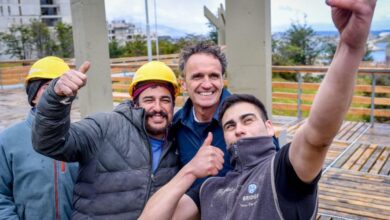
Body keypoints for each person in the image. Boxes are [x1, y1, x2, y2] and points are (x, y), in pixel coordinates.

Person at [140, 0, 377, 219]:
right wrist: (191, 170)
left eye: (248, 120)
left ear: (269, 128)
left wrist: (350, 47)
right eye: (230, 125)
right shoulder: (210, 187)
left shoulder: (278, 174)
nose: (239, 129)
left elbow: (317, 134)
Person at [31, 61, 182, 219]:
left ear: (173, 104)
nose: (157, 108)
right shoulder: (104, 127)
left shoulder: (177, 139)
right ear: (135, 103)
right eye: (149, 100)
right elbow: (49, 143)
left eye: (165, 100)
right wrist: (56, 98)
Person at [0, 56, 78, 220]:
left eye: (64, 88)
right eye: (48, 87)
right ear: (33, 95)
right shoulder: (8, 140)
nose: (57, 93)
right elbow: (1, 197)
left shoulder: (81, 137)